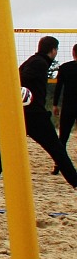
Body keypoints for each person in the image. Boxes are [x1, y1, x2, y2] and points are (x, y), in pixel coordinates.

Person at [0, 36, 77, 189]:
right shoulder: (39, 63)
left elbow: (17, 76)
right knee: (57, 150)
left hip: (22, 113)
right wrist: (24, 93)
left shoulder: (33, 61)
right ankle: (75, 182)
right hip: (35, 115)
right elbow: (21, 78)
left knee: (8, 147)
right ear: (53, 50)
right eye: (56, 50)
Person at [52, 43, 77, 171]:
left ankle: (58, 165)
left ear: (73, 53)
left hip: (68, 106)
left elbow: (58, 88)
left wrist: (55, 104)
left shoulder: (65, 68)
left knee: (63, 137)